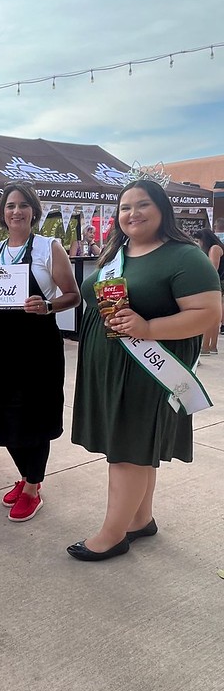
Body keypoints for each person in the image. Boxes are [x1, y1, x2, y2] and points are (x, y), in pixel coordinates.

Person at [69, 180, 221, 561]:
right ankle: (140, 520)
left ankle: (111, 535)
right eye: (125, 207)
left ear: (162, 210)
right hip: (110, 367)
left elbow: (208, 314)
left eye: (142, 205)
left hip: (148, 369)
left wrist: (149, 328)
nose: (131, 214)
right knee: (135, 447)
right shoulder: (117, 250)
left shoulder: (185, 256)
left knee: (127, 451)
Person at [0, 182, 81, 521]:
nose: (16, 211)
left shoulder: (49, 247)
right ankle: (27, 475)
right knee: (5, 413)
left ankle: (32, 486)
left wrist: (47, 305)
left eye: (22, 205)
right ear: (2, 213)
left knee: (34, 415)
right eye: (10, 206)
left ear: (34, 211)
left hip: (38, 345)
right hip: (1, 343)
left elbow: (72, 295)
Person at [192, 228, 224, 354]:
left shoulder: (214, 249)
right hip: (220, 282)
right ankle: (212, 346)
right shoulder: (218, 246)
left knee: (210, 316)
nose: (199, 244)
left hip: (217, 283)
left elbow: (212, 269)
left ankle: (205, 346)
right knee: (216, 316)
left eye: (199, 241)